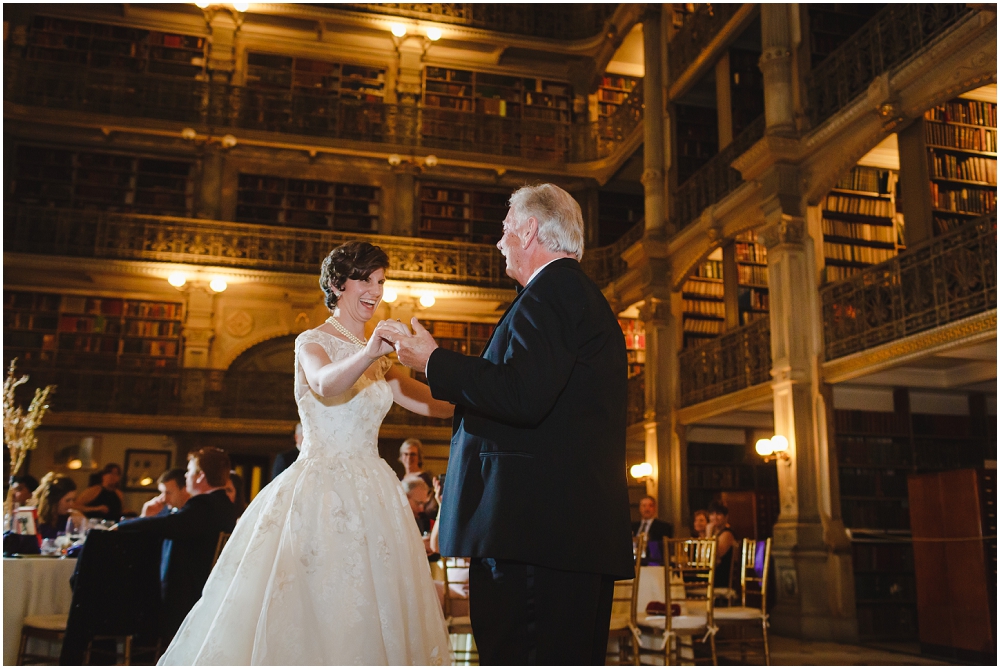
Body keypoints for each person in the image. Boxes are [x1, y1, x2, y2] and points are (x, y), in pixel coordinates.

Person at [154, 241, 452, 665]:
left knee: (372, 608)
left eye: (381, 281)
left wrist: (442, 364)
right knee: (312, 609)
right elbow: (325, 383)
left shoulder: (383, 361)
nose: (374, 290)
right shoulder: (311, 342)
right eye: (364, 279)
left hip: (375, 497)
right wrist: (370, 352)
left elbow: (437, 404)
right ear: (336, 283)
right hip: (319, 494)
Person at [391, 183, 634, 665]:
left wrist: (434, 360)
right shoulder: (562, 294)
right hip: (550, 538)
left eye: (505, 230)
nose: (499, 241)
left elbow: (521, 394)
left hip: (535, 538)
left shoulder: (554, 290)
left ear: (528, 230)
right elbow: (520, 392)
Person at [117, 448, 238, 645]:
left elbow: (169, 526)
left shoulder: (203, 505)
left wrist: (124, 525)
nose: (185, 476)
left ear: (201, 477)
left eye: (189, 471)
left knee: (135, 589)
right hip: (203, 584)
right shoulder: (223, 504)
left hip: (186, 593)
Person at [33, 472, 86, 539]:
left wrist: (82, 523)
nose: (71, 504)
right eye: (68, 500)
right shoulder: (35, 519)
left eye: (73, 500)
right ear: (54, 500)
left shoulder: (69, 518)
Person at [399, 438, 437, 516]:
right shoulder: (400, 479)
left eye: (412, 454)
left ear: (419, 457)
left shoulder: (425, 478)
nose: (409, 457)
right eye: (406, 454)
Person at [706, 502, 737, 589]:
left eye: (718, 514)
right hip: (712, 574)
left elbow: (712, 556)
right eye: (712, 514)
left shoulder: (727, 533)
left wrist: (708, 535)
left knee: (682, 578)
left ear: (726, 517)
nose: (715, 517)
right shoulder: (715, 533)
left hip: (721, 577)